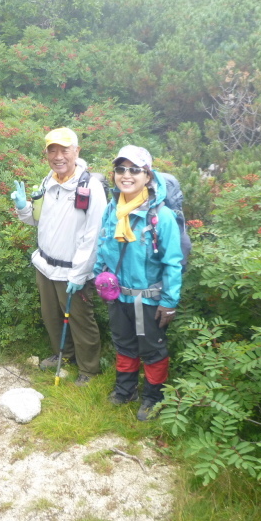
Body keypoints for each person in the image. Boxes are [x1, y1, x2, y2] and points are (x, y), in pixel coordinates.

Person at [94, 145, 183, 421]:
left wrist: (169, 303)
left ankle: (153, 398)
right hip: (118, 295)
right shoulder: (113, 209)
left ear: (148, 175)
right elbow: (103, 246)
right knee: (124, 344)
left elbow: (173, 262)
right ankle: (125, 391)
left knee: (152, 350)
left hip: (149, 299)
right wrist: (98, 277)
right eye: (121, 169)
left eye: (135, 169)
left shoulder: (161, 217)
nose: (126, 175)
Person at [11, 127, 105, 386]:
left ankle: (89, 368)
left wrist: (80, 273)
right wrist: (23, 208)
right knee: (51, 316)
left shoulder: (90, 187)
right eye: (52, 150)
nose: (58, 156)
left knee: (79, 319)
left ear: (77, 151)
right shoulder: (48, 181)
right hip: (45, 265)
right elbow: (38, 219)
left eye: (64, 149)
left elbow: (93, 235)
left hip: (72, 270)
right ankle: (64, 355)